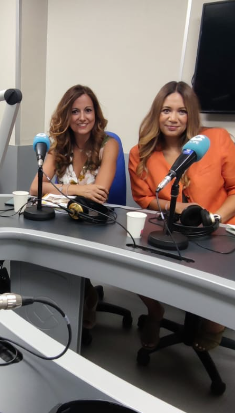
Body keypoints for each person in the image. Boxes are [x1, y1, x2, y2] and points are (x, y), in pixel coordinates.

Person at [129, 80, 235, 351]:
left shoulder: (217, 139)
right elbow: (143, 198)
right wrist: (175, 208)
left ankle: (214, 322)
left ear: (192, 115)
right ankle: (155, 311)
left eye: (182, 111)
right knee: (132, 260)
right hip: (172, 229)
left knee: (217, 279)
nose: (173, 118)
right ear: (157, 113)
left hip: (220, 230)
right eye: (166, 110)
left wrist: (214, 219)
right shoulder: (140, 153)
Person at [30, 84, 119, 329]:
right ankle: (79, 293)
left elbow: (99, 193)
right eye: (75, 111)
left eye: (88, 110)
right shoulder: (57, 145)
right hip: (64, 219)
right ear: (66, 116)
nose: (82, 117)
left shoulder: (109, 144)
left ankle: (87, 294)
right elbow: (36, 187)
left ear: (96, 114)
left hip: (93, 221)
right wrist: (79, 190)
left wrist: (60, 189)